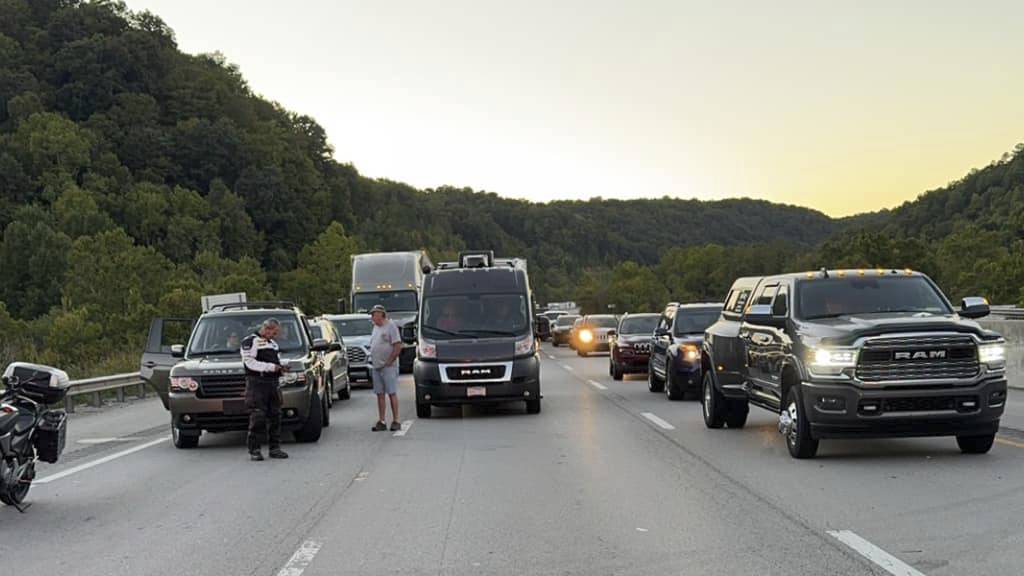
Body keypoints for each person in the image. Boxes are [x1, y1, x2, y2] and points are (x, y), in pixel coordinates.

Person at [241, 318, 288, 461]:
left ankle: (275, 448)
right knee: (258, 416)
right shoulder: (250, 341)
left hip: (273, 383)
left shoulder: (272, 344)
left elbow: (276, 361)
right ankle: (254, 449)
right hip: (257, 383)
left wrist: (281, 367)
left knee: (275, 415)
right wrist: (271, 367)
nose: (275, 336)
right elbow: (250, 363)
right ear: (267, 329)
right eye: (274, 332)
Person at [369, 304, 403, 431]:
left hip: (388, 366)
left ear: (381, 315)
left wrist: (390, 360)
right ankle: (382, 420)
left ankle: (396, 420)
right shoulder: (375, 328)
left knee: (391, 392)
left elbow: (397, 345)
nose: (372, 317)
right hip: (377, 366)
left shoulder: (391, 326)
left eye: (374, 314)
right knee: (380, 394)